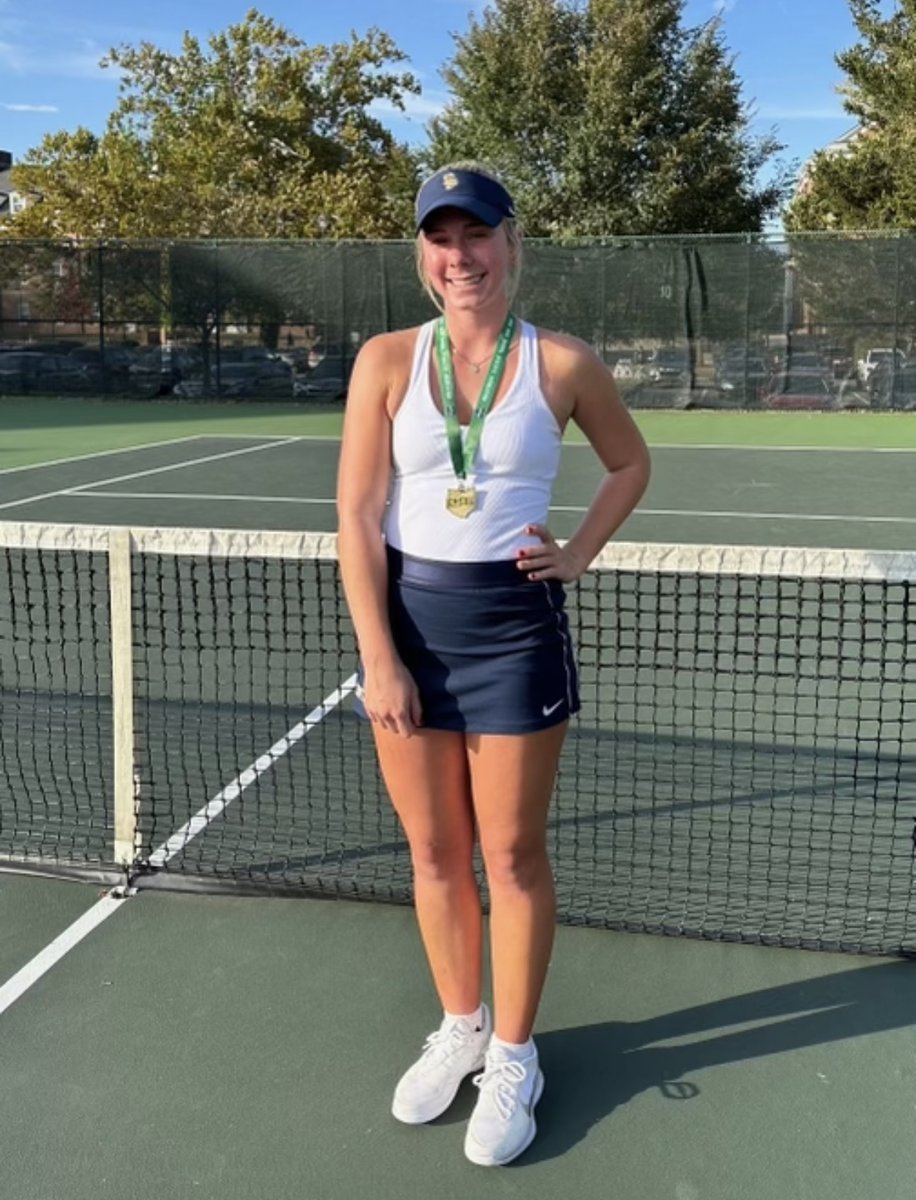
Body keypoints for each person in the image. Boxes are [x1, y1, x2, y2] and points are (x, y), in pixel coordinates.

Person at [336, 162, 650, 1166]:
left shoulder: (563, 363)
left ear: (512, 244)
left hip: (515, 634)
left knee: (509, 857)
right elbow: (356, 514)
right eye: (441, 238)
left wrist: (580, 551)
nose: (459, 256)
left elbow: (630, 462)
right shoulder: (386, 360)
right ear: (422, 255)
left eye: (477, 235)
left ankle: (514, 1055)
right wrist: (379, 657)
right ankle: (460, 1024)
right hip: (409, 633)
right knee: (434, 853)